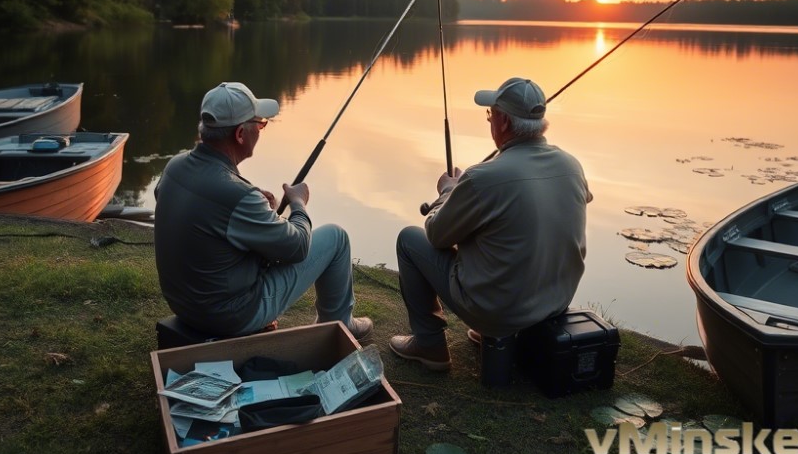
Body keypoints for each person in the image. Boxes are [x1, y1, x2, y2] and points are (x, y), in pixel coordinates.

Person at [389, 77, 592, 371]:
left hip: (498, 312)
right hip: (554, 305)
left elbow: (436, 235)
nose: (489, 121)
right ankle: (501, 328)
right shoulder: (572, 165)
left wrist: (448, 192)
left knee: (409, 239)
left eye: (490, 114)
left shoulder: (481, 178)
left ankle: (429, 345)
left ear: (505, 123)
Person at [154, 82, 373, 341]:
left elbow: (197, 208)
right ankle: (339, 325)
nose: (261, 129)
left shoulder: (174, 167)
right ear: (239, 134)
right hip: (229, 315)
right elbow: (299, 247)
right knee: (336, 238)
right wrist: (298, 203)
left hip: (184, 305)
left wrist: (254, 207)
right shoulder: (238, 196)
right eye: (259, 124)